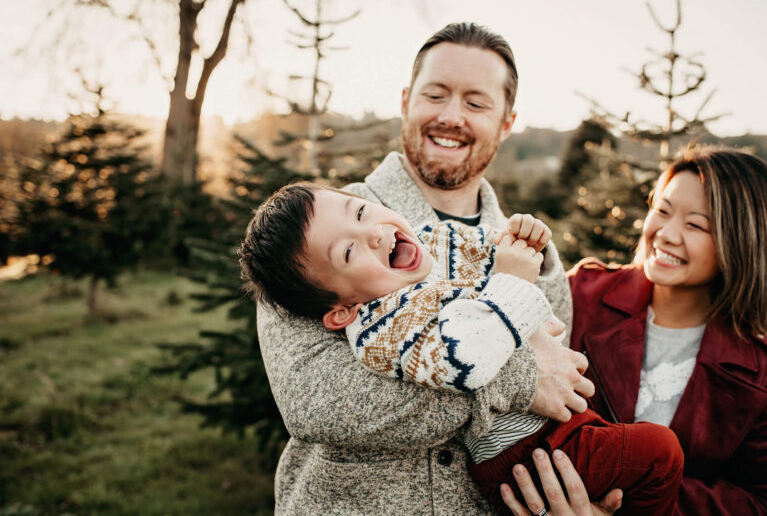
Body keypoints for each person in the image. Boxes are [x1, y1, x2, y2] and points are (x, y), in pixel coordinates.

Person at [255, 22, 601, 514]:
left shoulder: (530, 252)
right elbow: (323, 403)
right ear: (405, 100)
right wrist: (516, 380)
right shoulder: (311, 236)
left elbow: (554, 396)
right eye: (435, 95)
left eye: (476, 103)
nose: (451, 117)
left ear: (506, 122)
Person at [241, 182, 684, 515]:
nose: (373, 234)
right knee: (660, 453)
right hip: (521, 452)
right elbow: (466, 357)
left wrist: (521, 243)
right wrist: (510, 283)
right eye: (349, 252)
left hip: (551, 433)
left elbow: (499, 263)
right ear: (340, 311)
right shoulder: (381, 326)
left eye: (361, 212)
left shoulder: (427, 245)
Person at [505, 147, 767, 516]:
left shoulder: (760, 370)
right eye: (662, 210)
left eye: (696, 224)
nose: (667, 234)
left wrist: (634, 503)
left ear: (742, 242)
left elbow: (766, 503)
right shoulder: (582, 294)